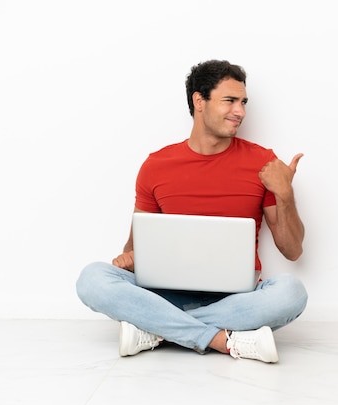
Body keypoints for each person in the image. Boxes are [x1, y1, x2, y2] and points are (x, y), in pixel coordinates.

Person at [76, 60, 308, 363]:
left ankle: (157, 330)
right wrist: (130, 258)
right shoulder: (156, 166)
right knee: (92, 278)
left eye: (243, 102)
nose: (240, 111)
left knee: (291, 292)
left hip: (237, 297)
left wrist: (285, 194)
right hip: (166, 291)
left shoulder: (264, 163)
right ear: (200, 101)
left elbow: (292, 251)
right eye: (230, 100)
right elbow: (134, 248)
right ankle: (220, 339)